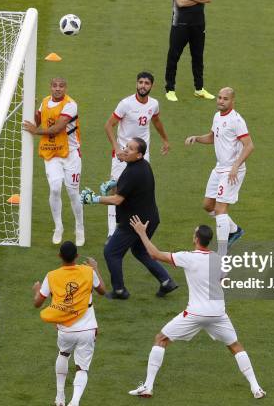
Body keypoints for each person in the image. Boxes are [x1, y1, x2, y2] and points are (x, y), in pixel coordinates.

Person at [126, 217, 266, 400]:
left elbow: (154, 254)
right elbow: (224, 279)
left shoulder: (188, 257)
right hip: (218, 313)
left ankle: (148, 386)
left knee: (161, 339)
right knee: (235, 346)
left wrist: (142, 233)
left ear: (196, 239)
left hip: (195, 313)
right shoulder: (218, 259)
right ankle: (256, 388)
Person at [80, 138, 177, 299]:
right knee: (140, 251)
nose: (125, 150)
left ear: (139, 155)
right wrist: (115, 183)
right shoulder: (142, 166)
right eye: (126, 147)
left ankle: (119, 290)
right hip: (151, 218)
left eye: (130, 149)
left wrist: (94, 199)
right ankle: (166, 281)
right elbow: (130, 184)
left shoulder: (133, 171)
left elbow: (118, 199)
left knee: (111, 252)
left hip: (134, 222)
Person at [32, 241, 106, 406]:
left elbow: (38, 303)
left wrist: (37, 289)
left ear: (59, 256)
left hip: (65, 329)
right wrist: (95, 268)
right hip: (87, 329)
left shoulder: (51, 276)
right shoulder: (88, 271)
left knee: (63, 354)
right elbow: (102, 290)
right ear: (77, 256)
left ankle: (59, 398)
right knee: (82, 368)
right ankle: (75, 401)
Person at [185, 87, 254, 255]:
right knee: (208, 205)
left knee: (221, 208)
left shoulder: (236, 120)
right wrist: (197, 138)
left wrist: (236, 166)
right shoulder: (217, 116)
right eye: (219, 97)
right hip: (219, 168)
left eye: (225, 99)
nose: (221, 101)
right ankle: (234, 230)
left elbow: (249, 145)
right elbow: (212, 137)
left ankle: (222, 253)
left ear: (232, 101)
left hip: (232, 171)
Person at [103, 72, 170, 238]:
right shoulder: (125, 104)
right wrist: (117, 147)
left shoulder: (154, 104)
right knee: (116, 189)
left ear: (151, 86)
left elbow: (156, 121)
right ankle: (112, 230)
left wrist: (165, 140)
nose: (143, 86)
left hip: (141, 156)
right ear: (136, 84)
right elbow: (108, 125)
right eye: (140, 82)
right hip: (123, 154)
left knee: (140, 191)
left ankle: (138, 226)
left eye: (147, 83)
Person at [23, 77, 85, 246]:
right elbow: (37, 120)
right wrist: (30, 106)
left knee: (73, 193)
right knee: (56, 188)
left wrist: (36, 132)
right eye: (55, 86)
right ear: (50, 87)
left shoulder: (70, 105)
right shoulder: (44, 102)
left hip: (70, 154)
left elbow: (58, 128)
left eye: (61, 86)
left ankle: (80, 228)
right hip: (51, 153)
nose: (58, 89)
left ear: (66, 88)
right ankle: (58, 227)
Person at [164, 0, 215, 102]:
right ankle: (170, 89)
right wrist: (200, 0)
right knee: (173, 56)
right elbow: (181, 3)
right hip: (179, 24)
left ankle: (199, 89)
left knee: (198, 57)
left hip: (199, 25)